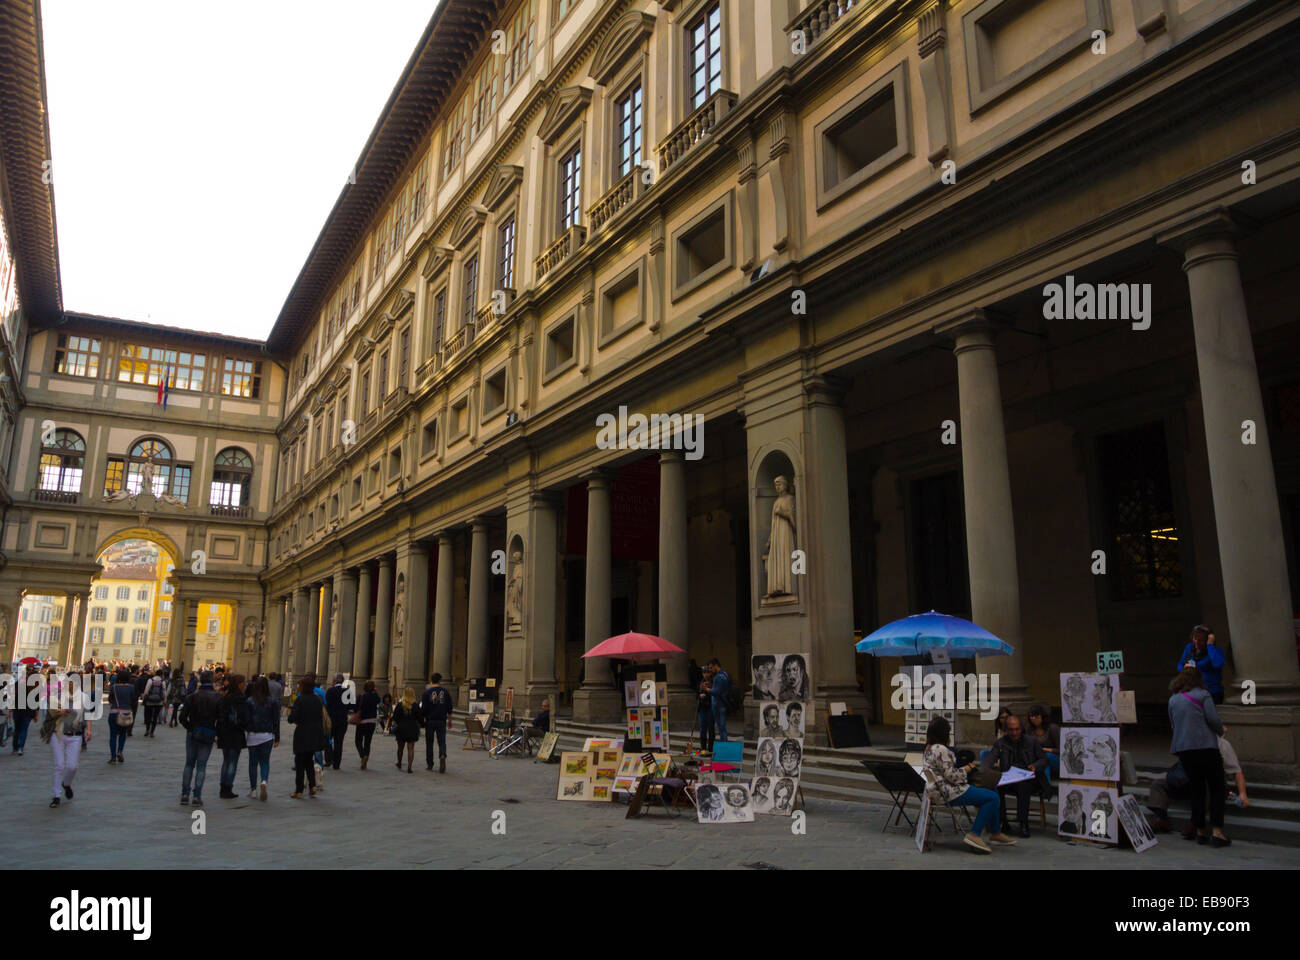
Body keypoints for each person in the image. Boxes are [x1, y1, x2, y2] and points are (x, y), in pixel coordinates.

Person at [922, 716, 1015, 853]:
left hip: (936, 790)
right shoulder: (941, 749)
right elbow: (952, 776)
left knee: (992, 789)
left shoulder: (928, 748)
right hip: (948, 791)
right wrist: (967, 769)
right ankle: (974, 834)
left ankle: (995, 832)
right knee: (992, 798)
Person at [1168, 665, 1230, 846]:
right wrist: (1221, 730)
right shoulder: (1203, 695)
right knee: (1217, 788)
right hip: (1205, 747)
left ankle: (1200, 831)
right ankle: (1217, 832)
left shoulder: (1173, 699)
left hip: (1185, 749)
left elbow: (1173, 724)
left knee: (1197, 790)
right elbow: (1213, 719)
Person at [1147, 734, 1248, 835]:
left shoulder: (1222, 745)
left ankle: (1195, 823)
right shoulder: (1189, 741)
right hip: (1186, 781)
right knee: (1158, 784)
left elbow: (1237, 772)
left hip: (1210, 786)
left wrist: (1242, 793)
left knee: (1204, 784)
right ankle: (1160, 818)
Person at [990, 714, 1048, 837]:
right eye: (1011, 730)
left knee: (1023, 786)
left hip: (1029, 778)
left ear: (1021, 729)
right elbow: (989, 759)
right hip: (1009, 778)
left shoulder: (1032, 742)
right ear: (1006, 730)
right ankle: (1003, 822)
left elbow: (1044, 759)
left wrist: (1035, 766)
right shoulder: (1000, 743)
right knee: (996, 786)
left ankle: (1023, 823)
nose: (1014, 732)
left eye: (1017, 729)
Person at [178, 670, 221, 807]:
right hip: (208, 733)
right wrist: (216, 732)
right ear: (212, 681)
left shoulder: (192, 697)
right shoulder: (217, 698)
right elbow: (220, 719)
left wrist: (191, 728)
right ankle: (197, 796)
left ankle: (185, 794)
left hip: (193, 733)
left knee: (189, 764)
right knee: (201, 766)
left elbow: (182, 718)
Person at [47, 682, 92, 808]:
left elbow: (87, 716)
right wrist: (59, 712)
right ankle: (56, 796)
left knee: (73, 766)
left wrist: (88, 730)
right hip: (58, 734)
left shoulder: (84, 698)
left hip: (75, 735)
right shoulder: (59, 696)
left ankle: (66, 783)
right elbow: (49, 713)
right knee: (59, 765)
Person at [287, 675, 327, 798]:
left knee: (299, 762)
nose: (298, 687)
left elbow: (293, 718)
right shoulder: (317, 699)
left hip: (303, 733)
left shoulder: (300, 700)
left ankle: (299, 790)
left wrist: (291, 715)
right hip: (315, 733)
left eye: (300, 685)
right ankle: (313, 785)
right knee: (309, 761)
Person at [242, 675, 280, 801]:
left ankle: (253, 790)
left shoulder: (249, 701)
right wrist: (277, 737)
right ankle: (264, 781)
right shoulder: (272, 701)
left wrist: (248, 730)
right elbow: (276, 721)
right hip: (267, 736)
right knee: (265, 762)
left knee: (253, 763)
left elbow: (246, 720)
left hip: (253, 735)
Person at [216, 674, 247, 799]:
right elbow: (243, 718)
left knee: (226, 761)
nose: (245, 685)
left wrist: (218, 733)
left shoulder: (225, 697)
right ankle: (228, 788)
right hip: (236, 733)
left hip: (224, 732)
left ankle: (223, 787)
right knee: (233, 762)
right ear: (239, 684)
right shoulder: (240, 698)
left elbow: (220, 716)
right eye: (243, 683)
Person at [1177, 625, 1226, 704]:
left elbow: (1218, 664)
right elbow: (1180, 665)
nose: (1196, 642)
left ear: (1207, 640)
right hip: (1193, 691)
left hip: (1212, 692)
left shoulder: (1216, 651)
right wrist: (1185, 669)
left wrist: (1210, 645)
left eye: (1200, 640)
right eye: (1195, 638)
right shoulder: (1189, 648)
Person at [420, 672, 454, 773]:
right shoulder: (445, 692)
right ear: (440, 680)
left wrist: (422, 720)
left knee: (429, 743)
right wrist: (450, 721)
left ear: (431, 680)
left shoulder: (426, 693)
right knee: (442, 741)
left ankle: (430, 763)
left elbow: (423, 709)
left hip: (430, 721)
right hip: (441, 720)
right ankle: (442, 754)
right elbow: (449, 708)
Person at [106, 669, 137, 764]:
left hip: (114, 712)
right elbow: (134, 700)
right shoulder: (131, 687)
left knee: (113, 735)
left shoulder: (114, 687)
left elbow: (110, 699)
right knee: (123, 734)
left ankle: (113, 757)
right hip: (126, 713)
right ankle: (120, 751)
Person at [1025, 702, 1060, 779]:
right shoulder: (1029, 729)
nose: (1034, 718)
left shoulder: (1052, 728)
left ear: (1042, 716)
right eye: (1032, 716)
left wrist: (1044, 749)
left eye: (1036, 716)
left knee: (1044, 758)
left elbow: (1061, 750)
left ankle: (1046, 787)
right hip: (1036, 758)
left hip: (1054, 758)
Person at [10, 664, 38, 756]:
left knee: (17, 729)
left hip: (18, 710)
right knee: (24, 730)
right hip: (28, 711)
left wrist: (10, 709)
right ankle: (20, 748)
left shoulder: (19, 683)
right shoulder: (35, 686)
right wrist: (36, 715)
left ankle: (15, 747)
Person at [352, 679, 380, 769]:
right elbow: (379, 700)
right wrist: (375, 692)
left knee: (358, 741)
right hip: (372, 722)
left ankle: (363, 755)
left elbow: (356, 709)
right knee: (367, 742)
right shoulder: (375, 697)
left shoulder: (361, 696)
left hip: (362, 722)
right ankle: (365, 759)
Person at [391, 687, 420, 773]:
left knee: (400, 747)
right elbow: (419, 717)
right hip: (412, 728)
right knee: (410, 748)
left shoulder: (400, 704)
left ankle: (399, 762)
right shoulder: (415, 705)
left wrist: (399, 722)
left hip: (401, 728)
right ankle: (409, 767)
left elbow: (395, 717)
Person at [325, 674, 350, 770]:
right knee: (339, 743)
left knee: (327, 739)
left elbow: (327, 705)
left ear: (335, 681)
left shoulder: (330, 691)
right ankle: (337, 764)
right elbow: (351, 705)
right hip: (342, 720)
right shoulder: (347, 691)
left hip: (331, 719)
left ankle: (329, 758)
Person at [708, 659, 731, 742]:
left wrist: (706, 689)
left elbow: (716, 692)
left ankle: (724, 746)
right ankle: (724, 744)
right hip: (723, 703)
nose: (710, 670)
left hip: (718, 704)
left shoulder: (718, 677)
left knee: (721, 727)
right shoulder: (725, 674)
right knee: (722, 727)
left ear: (715, 666)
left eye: (711, 668)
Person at [140, 668, 167, 737]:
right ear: (161, 675)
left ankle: (147, 730)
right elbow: (164, 692)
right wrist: (164, 701)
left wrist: (144, 699)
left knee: (149, 716)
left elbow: (146, 690)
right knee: (155, 717)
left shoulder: (150, 680)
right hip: (158, 701)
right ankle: (152, 732)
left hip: (150, 701)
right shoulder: (162, 682)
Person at [696, 672, 714, 754]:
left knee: (711, 729)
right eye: (703, 673)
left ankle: (710, 749)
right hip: (702, 708)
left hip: (710, 707)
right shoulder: (700, 683)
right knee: (702, 729)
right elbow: (696, 694)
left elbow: (715, 693)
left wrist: (708, 691)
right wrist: (700, 695)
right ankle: (703, 749)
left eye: (707, 672)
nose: (705, 674)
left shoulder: (713, 682)